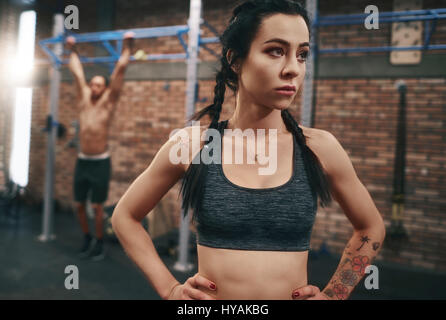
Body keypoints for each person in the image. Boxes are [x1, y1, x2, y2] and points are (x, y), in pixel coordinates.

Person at [112, 0, 385, 300]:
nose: (293, 69)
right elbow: (125, 216)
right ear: (236, 60)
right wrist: (169, 289)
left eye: (302, 55)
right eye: (275, 51)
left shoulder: (320, 148)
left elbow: (371, 227)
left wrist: (335, 295)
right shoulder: (193, 145)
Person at [66, 32, 134, 261]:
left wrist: (127, 48)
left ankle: (99, 242)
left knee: (96, 207)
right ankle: (87, 237)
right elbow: (76, 72)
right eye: (92, 84)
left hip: (100, 163)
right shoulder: (84, 98)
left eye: (98, 85)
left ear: (104, 89)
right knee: (78, 205)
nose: (93, 87)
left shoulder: (108, 102)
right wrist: (72, 50)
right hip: (82, 160)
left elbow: (119, 72)